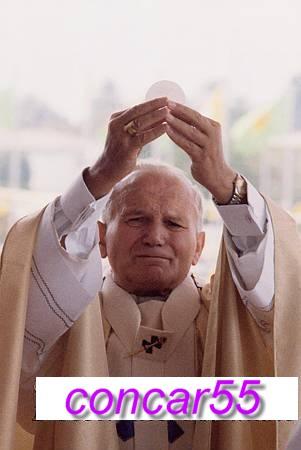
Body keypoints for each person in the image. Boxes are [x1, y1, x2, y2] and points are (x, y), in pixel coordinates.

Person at [0, 97, 300, 450]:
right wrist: (99, 178)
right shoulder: (63, 326)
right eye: (136, 219)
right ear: (100, 236)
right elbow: (28, 292)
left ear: (199, 247)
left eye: (173, 223)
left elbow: (284, 300)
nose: (155, 236)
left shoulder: (235, 328)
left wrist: (226, 187)